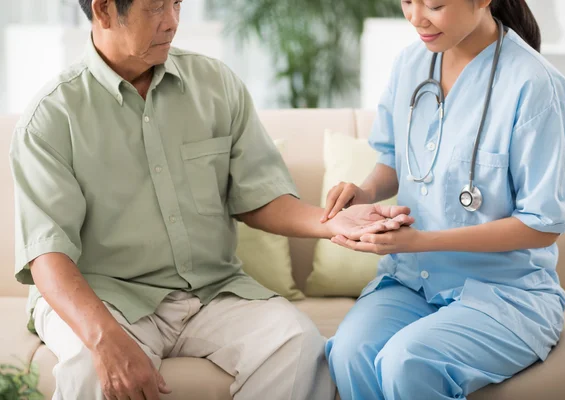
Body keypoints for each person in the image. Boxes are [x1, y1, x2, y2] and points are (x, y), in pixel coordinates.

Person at [8, 0, 413, 399]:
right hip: (105, 297)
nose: (171, 22)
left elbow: (258, 197)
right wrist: (102, 338)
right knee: (91, 372)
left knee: (297, 342)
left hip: (210, 292)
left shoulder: (215, 83)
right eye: (154, 8)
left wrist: (330, 222)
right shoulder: (50, 117)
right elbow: (48, 256)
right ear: (103, 11)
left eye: (177, 4)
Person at [322, 0, 565, 399]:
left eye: (434, 5)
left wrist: (423, 242)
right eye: (407, 1)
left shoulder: (533, 86)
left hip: (506, 295)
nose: (416, 18)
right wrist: (362, 193)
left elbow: (542, 225)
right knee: (349, 353)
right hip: (413, 283)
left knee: (407, 361)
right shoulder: (410, 65)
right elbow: (394, 160)